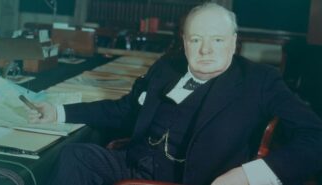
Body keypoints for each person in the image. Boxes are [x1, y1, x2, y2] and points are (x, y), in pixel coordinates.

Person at [27, 3, 322, 185]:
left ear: (233, 42)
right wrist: (60, 112)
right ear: (184, 41)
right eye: (197, 39)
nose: (206, 50)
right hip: (136, 162)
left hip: (197, 178)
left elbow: (315, 137)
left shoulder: (260, 81)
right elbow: (127, 110)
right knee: (74, 156)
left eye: (217, 40)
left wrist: (249, 176)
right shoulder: (167, 67)